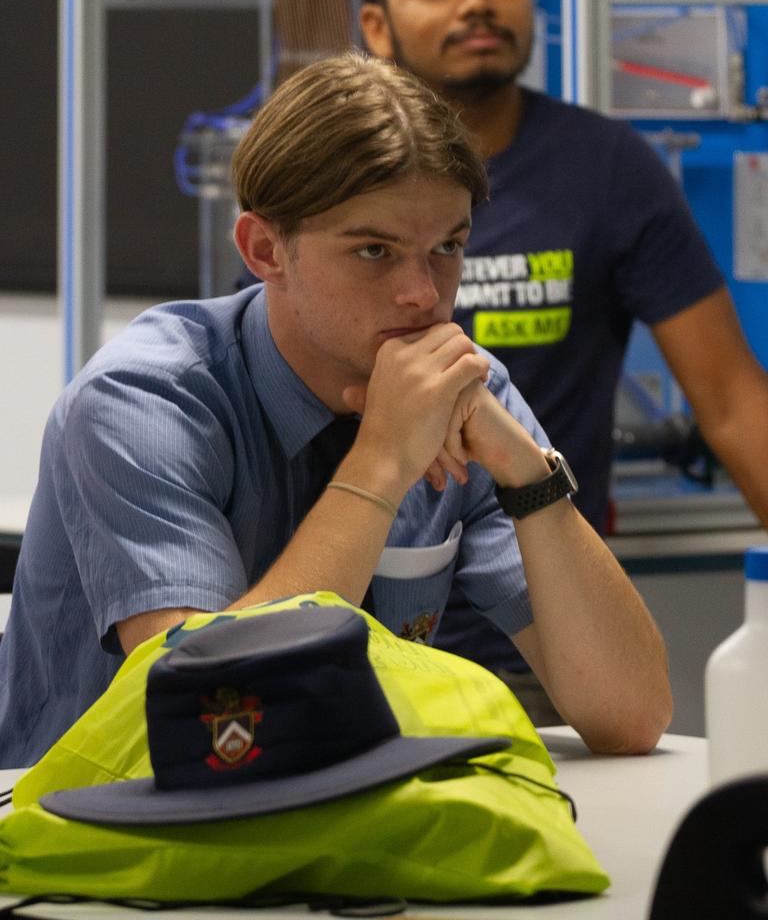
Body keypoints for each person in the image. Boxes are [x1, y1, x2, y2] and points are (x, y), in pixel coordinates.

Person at [0, 53, 670, 767]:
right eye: (374, 250)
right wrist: (380, 464)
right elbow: (217, 719)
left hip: (324, 824)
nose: (423, 294)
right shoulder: (141, 400)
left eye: (448, 245)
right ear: (265, 249)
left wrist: (529, 477)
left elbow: (629, 716)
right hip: (88, 850)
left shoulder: (467, 390)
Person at [356, 0, 768, 718]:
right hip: (353, 652)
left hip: (537, 658)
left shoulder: (608, 167)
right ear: (378, 24)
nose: (478, 2)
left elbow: (730, 401)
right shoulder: (335, 179)